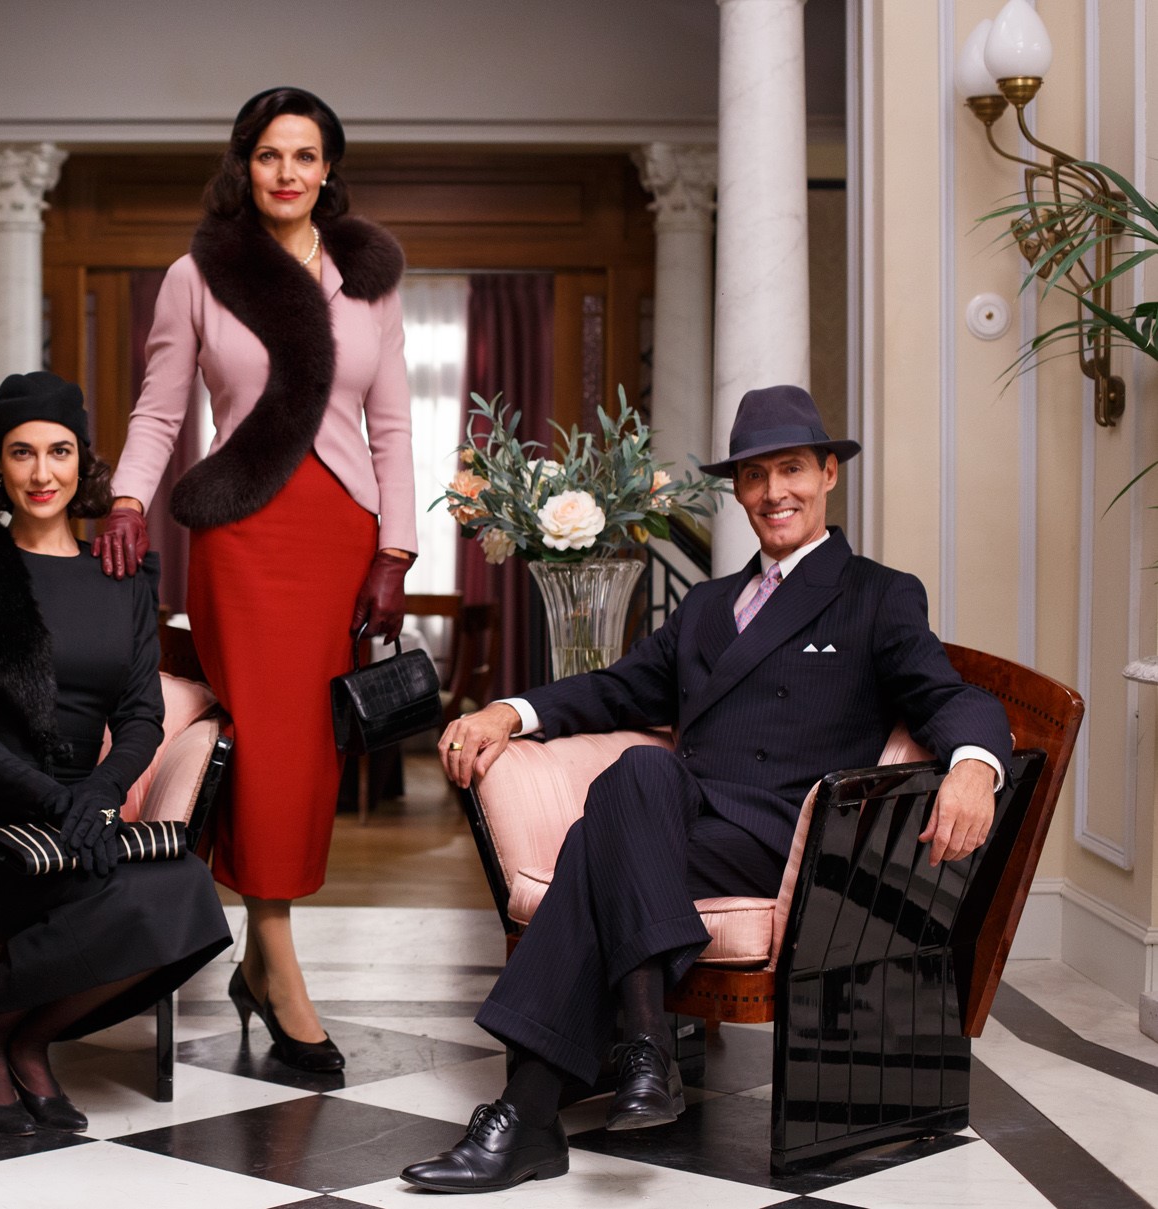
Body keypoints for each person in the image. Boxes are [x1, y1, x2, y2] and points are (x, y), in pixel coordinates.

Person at [399, 384, 1013, 1192]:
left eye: (791, 469)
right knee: (642, 768)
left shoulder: (877, 593)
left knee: (593, 842)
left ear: (829, 474)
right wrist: (509, 712)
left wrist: (974, 763)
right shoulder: (707, 604)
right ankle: (642, 1048)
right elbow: (617, 688)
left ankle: (533, 1111)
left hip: (784, 838)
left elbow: (949, 694)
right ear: (739, 490)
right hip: (682, 818)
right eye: (754, 475)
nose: (773, 492)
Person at [91, 87, 417, 1072]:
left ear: (328, 169)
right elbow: (159, 410)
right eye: (270, 154)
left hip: (339, 537)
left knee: (311, 749)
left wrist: (396, 551)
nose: (287, 172)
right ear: (246, 165)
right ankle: (277, 966)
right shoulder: (198, 275)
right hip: (240, 536)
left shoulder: (368, 280)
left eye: (305, 155)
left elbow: (392, 425)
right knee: (266, 741)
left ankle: (258, 960)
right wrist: (125, 500)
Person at [0, 371, 231, 1137]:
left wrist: (99, 793)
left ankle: (16, 1035)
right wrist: (57, 800)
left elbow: (141, 714)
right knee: (117, 896)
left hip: (80, 811)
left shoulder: (121, 576)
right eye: (21, 452)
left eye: (59, 451)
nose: (41, 472)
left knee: (188, 889)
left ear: (83, 461)